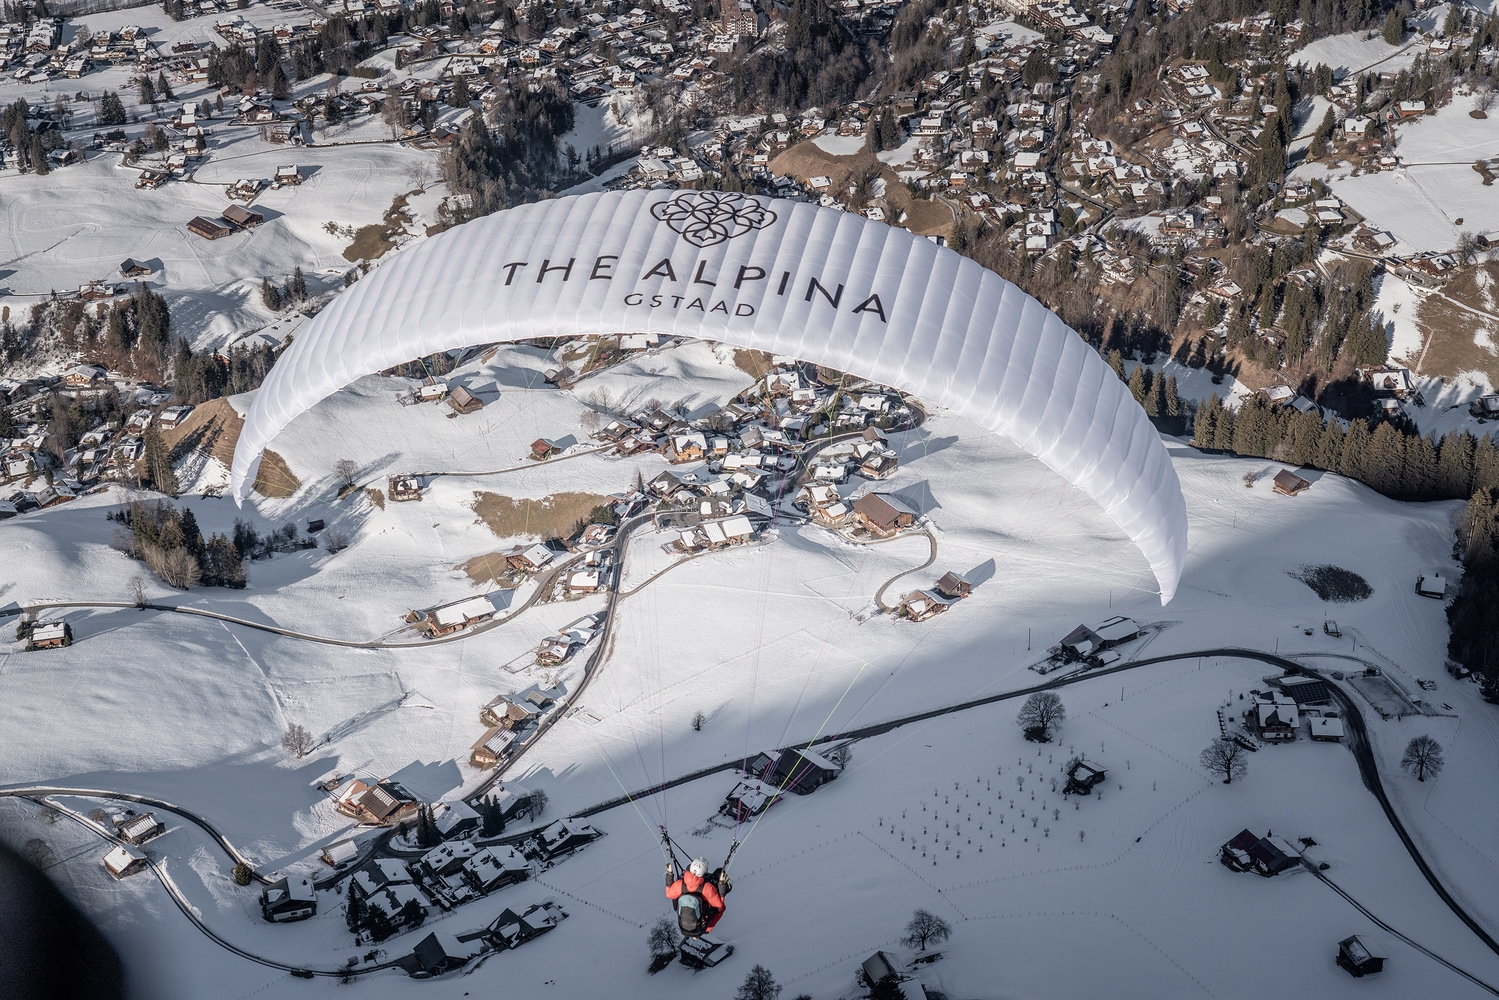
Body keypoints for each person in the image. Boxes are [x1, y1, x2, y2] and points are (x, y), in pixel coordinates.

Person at [665, 857, 725, 936]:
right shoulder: (707, 888)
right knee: (720, 909)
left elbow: (669, 893)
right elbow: (719, 906)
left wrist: (669, 875)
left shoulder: (679, 885)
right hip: (700, 928)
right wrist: (722, 886)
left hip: (683, 928)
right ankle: (708, 928)